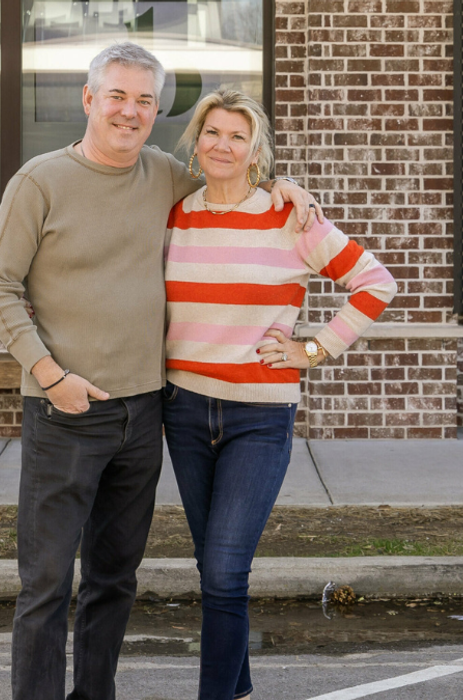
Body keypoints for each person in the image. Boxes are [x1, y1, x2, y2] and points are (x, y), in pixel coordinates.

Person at [0, 42, 319, 700]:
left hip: (143, 414)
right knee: (45, 586)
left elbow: (229, 179)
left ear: (155, 109)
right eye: (116, 96)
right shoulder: (38, 182)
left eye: (143, 101)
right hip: (63, 411)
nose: (129, 112)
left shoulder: (162, 174)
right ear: (88, 100)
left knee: (113, 580)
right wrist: (49, 374)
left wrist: (280, 184)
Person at [162, 90, 395, 700]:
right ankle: (236, 687)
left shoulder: (293, 220)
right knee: (213, 567)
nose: (223, 145)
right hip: (184, 409)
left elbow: (375, 282)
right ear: (196, 141)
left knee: (224, 567)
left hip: (259, 417)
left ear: (256, 149)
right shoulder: (175, 217)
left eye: (238, 136)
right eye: (212, 132)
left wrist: (313, 350)